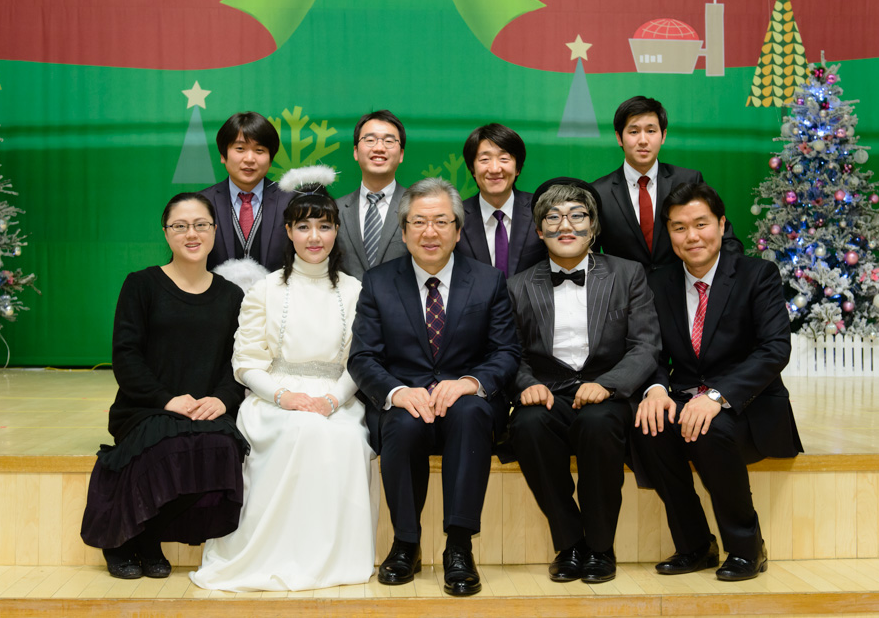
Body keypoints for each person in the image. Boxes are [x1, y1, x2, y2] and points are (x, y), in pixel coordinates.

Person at [191, 165, 376, 591]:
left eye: (324, 226)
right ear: (289, 231)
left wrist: (332, 400)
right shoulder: (264, 290)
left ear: (336, 232)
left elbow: (360, 360)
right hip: (273, 399)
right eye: (304, 226)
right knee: (297, 431)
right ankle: (271, 553)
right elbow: (245, 362)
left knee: (345, 438)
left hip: (338, 398)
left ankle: (329, 557)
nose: (314, 237)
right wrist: (284, 396)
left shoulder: (355, 291)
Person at [348, 177, 521, 596]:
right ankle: (405, 543)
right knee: (401, 422)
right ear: (404, 231)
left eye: (442, 221)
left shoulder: (488, 281)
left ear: (458, 231)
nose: (430, 232)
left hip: (466, 403)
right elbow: (363, 358)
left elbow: (506, 352)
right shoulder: (378, 282)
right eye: (419, 222)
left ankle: (459, 547)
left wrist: (470, 383)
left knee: (471, 413)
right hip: (407, 401)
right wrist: (396, 392)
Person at [633, 183, 803, 581]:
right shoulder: (658, 282)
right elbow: (651, 350)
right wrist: (656, 389)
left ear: (722, 225)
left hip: (748, 404)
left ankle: (746, 547)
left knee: (708, 428)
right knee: (649, 425)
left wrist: (716, 395)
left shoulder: (756, 274)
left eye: (701, 224)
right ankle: (695, 545)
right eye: (679, 227)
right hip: (685, 397)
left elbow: (774, 349)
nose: (691, 236)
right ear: (668, 233)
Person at [81, 192, 248, 580]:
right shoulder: (142, 285)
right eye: (180, 226)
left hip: (205, 407)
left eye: (201, 225)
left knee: (221, 447)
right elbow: (126, 356)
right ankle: (120, 540)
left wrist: (222, 400)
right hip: (147, 406)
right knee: (166, 443)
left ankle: (148, 536)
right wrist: (167, 399)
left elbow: (238, 362)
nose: (192, 234)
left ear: (215, 231)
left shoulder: (231, 295)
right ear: (166, 232)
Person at [506, 177, 660, 584]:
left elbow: (645, 345)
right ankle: (570, 543)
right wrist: (526, 383)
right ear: (539, 230)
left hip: (607, 393)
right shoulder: (518, 286)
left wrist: (608, 384)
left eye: (577, 215)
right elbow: (508, 352)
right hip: (549, 393)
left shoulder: (628, 274)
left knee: (598, 425)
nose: (565, 225)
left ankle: (600, 546)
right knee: (527, 426)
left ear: (593, 226)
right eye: (553, 217)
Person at [592, 96, 742, 271]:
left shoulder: (688, 180)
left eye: (651, 131)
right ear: (619, 137)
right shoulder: (599, 192)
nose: (643, 140)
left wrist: (726, 280)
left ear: (663, 136)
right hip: (624, 288)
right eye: (634, 132)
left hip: (682, 286)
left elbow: (727, 240)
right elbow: (589, 256)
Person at [200, 111, 294, 271]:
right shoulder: (201, 203)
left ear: (271, 159)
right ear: (223, 155)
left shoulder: (292, 202)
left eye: (259, 150)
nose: (249, 159)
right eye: (240, 148)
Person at [455, 123, 546, 277]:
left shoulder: (539, 210)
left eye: (504, 158)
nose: (495, 169)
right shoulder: (456, 216)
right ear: (472, 168)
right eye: (485, 159)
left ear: (518, 168)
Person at [337, 110, 409, 279]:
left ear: (401, 154)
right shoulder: (335, 210)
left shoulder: (417, 207)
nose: (379, 148)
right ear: (355, 151)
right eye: (370, 140)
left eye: (389, 141)